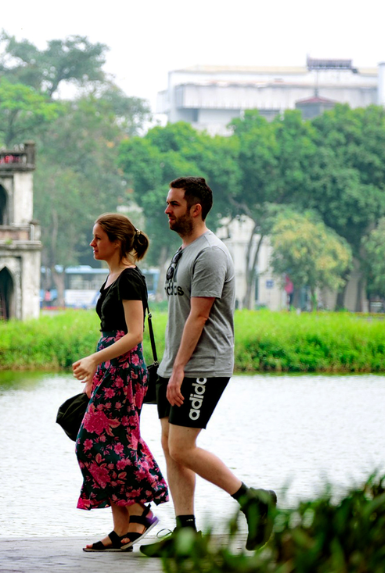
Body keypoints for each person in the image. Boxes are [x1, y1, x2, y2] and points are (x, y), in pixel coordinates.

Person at [141, 177, 276, 557]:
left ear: (195, 209)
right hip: (175, 365)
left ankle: (254, 501)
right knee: (170, 446)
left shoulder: (211, 253)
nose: (166, 210)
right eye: (167, 203)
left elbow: (199, 316)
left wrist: (180, 369)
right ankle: (186, 533)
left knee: (182, 447)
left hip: (203, 365)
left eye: (174, 204)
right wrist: (170, 366)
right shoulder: (182, 252)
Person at [72, 213, 169, 552]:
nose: (92, 243)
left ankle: (141, 513)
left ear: (116, 242)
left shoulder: (130, 278)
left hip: (125, 371)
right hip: (109, 371)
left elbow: (134, 334)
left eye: (98, 238)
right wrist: (95, 372)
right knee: (108, 444)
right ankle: (121, 528)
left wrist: (94, 360)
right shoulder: (112, 276)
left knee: (94, 443)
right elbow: (110, 331)